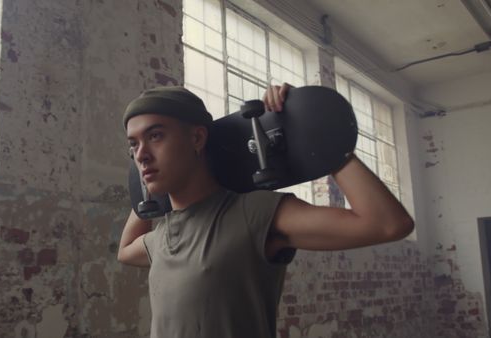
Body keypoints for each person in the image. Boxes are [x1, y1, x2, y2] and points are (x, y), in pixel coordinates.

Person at [117, 84, 414, 338]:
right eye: (134, 144)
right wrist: (144, 189)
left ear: (197, 139)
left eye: (155, 136)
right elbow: (124, 251)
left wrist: (311, 131)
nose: (141, 155)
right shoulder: (163, 234)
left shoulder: (253, 213)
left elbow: (388, 224)